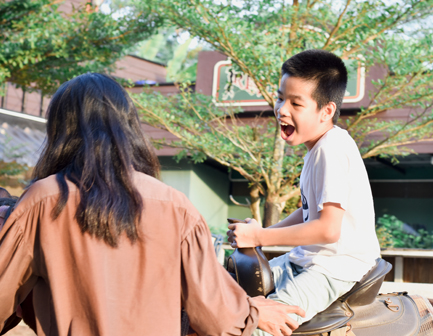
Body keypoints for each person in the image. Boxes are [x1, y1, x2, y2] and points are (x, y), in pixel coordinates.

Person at [0, 73, 304, 336]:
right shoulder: (175, 206)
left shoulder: (41, 202)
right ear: (128, 126)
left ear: (60, 130)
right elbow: (216, 315)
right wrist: (253, 312)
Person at [227, 50, 381, 334]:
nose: (282, 109)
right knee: (229, 284)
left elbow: (327, 230)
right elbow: (309, 211)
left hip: (333, 269)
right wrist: (263, 235)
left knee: (260, 326)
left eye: (296, 103)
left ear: (326, 111)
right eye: (280, 98)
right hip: (308, 259)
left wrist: (260, 236)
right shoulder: (318, 147)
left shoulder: (331, 150)